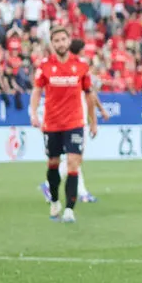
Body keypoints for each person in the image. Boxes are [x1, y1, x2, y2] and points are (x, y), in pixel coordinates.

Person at [29, 26, 100, 224]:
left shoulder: (81, 66)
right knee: (52, 164)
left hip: (75, 122)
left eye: (63, 39)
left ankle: (69, 209)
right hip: (51, 124)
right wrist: (33, 113)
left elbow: (89, 94)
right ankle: (54, 200)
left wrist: (93, 122)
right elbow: (36, 91)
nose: (60, 43)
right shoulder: (44, 66)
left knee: (73, 163)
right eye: (56, 40)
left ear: (69, 41)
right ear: (52, 44)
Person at [41, 39, 105, 204]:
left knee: (75, 158)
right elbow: (90, 95)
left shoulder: (77, 66)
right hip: (76, 118)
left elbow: (90, 94)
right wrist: (95, 119)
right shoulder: (78, 67)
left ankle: (81, 191)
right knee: (75, 157)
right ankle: (50, 185)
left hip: (74, 117)